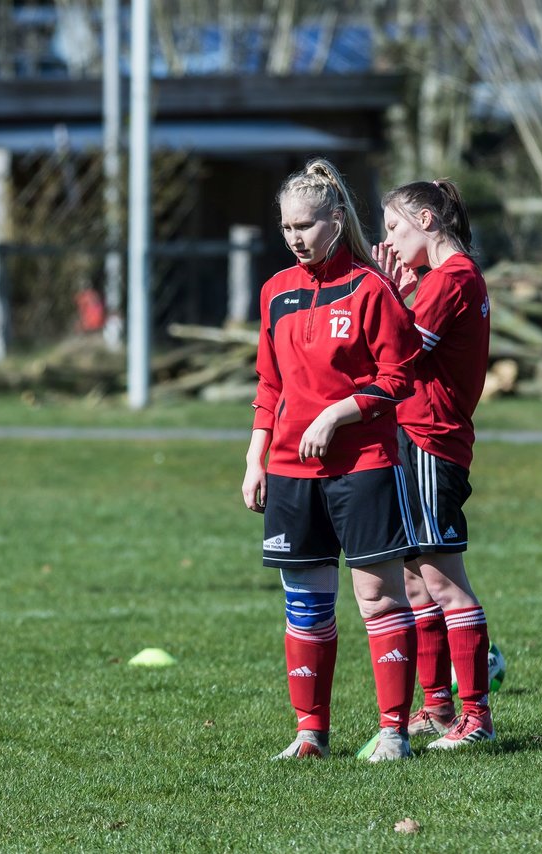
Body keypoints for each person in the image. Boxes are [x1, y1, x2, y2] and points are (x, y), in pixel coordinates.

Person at [242, 158, 424, 762]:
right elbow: (269, 385)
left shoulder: (372, 290)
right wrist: (255, 457)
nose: (296, 238)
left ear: (337, 219)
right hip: (292, 473)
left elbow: (397, 380)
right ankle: (309, 734)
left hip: (365, 465)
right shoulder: (275, 292)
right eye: (287, 227)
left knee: (377, 599)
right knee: (306, 605)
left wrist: (336, 413)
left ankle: (394, 732)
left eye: (307, 226)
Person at [372, 179, 495, 749]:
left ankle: (477, 718)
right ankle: (439, 707)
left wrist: (383, 293)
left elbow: (400, 349)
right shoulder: (439, 279)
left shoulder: (452, 279)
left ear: (427, 219)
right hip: (414, 437)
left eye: (395, 229)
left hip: (431, 441)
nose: (390, 243)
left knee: (446, 585)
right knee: (418, 584)